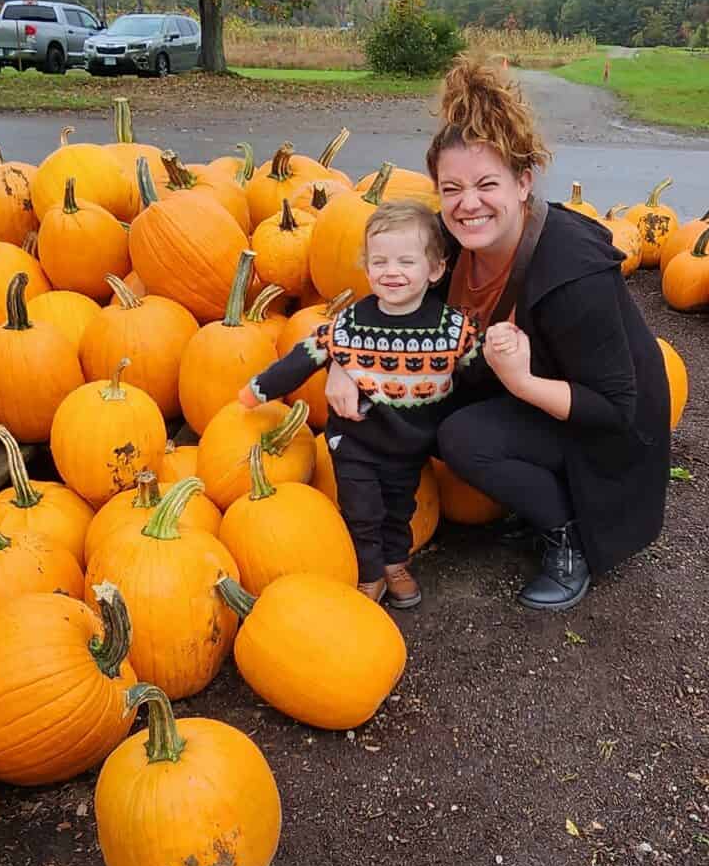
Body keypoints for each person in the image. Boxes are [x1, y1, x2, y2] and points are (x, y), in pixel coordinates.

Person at [337, 52, 669, 611]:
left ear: (524, 181)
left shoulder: (571, 270)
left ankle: (570, 535)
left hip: (609, 429)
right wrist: (348, 362)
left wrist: (520, 382)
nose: (468, 205)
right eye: (451, 189)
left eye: (486, 183)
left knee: (462, 438)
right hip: (535, 391)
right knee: (407, 407)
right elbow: (404, 314)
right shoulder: (449, 249)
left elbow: (615, 408)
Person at [244, 201, 476, 610]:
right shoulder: (352, 323)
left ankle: (395, 564)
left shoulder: (450, 327)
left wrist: (510, 356)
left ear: (436, 270)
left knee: (400, 508)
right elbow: (307, 354)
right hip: (356, 440)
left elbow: (480, 365)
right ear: (366, 268)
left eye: (407, 261)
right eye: (379, 261)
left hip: (410, 444)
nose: (392, 271)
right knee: (362, 510)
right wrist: (259, 389)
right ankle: (371, 573)